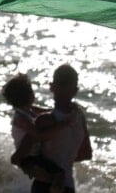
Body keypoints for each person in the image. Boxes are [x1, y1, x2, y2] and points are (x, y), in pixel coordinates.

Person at [30, 64, 93, 193]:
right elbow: (86, 154)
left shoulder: (43, 121)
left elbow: (29, 154)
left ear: (52, 87)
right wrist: (66, 158)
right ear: (75, 90)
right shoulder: (80, 118)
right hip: (68, 186)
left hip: (45, 184)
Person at [2, 73, 66, 193]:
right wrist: (62, 126)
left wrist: (59, 111)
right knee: (57, 176)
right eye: (31, 91)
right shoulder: (20, 118)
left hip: (35, 155)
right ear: (28, 95)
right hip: (28, 158)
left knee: (57, 175)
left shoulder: (29, 109)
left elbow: (44, 112)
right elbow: (38, 134)